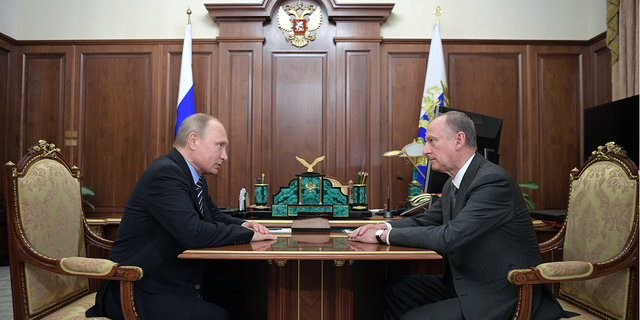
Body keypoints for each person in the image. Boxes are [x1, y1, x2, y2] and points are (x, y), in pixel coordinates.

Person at [348, 111, 566, 320]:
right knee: (396, 290)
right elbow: (427, 220)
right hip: (467, 284)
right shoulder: (453, 182)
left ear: (458, 140)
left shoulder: (492, 181)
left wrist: (380, 237)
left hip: (503, 294)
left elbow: (449, 237)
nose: (425, 150)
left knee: (417, 318)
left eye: (432, 141)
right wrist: (384, 227)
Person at [86, 113, 276, 320]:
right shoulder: (165, 173)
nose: (225, 156)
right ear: (193, 140)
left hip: (172, 279)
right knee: (215, 315)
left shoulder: (194, 177)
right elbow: (193, 233)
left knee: (233, 293)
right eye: (220, 145)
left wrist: (247, 224)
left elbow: (213, 216)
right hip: (137, 287)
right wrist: (246, 235)